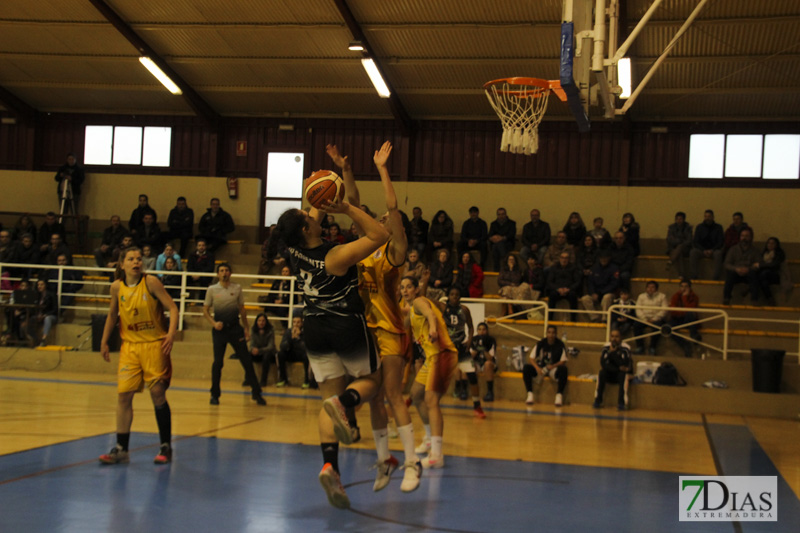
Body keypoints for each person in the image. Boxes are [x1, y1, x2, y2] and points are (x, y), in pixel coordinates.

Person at [267, 187, 389, 510]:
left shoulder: (294, 249)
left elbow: (311, 214)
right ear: (306, 229)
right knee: (373, 383)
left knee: (326, 403)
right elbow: (380, 234)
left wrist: (329, 181)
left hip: (314, 328)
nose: (313, 214)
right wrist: (347, 207)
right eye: (309, 216)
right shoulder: (335, 256)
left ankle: (329, 467)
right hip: (344, 325)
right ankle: (346, 402)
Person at [330, 141, 423, 493]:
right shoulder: (361, 252)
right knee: (374, 399)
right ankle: (386, 461)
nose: (381, 219)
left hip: (391, 331)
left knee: (394, 395)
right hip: (365, 333)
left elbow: (393, 209)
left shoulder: (394, 253)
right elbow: (351, 204)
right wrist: (345, 169)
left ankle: (413, 463)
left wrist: (383, 169)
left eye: (383, 219)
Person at [97, 247, 177, 465]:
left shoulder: (150, 282)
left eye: (139, 259)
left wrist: (171, 334)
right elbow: (113, 314)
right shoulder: (116, 287)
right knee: (123, 397)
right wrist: (104, 341)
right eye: (131, 259)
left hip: (153, 345)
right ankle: (121, 448)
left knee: (158, 393)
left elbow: (172, 306)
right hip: (130, 347)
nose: (136, 262)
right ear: (121, 264)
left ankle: (165, 446)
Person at [400, 275, 457, 470]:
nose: (405, 290)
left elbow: (431, 315)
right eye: (402, 287)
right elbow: (402, 319)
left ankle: (437, 455)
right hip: (431, 358)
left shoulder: (419, 302)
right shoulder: (411, 310)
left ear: (416, 289)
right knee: (416, 395)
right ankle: (429, 439)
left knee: (431, 401)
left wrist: (433, 329)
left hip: (442, 353)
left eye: (409, 287)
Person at [203, 263, 266, 406]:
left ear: (230, 273)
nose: (224, 273)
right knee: (218, 363)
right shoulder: (212, 289)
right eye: (221, 271)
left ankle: (257, 394)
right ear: (218, 274)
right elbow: (205, 310)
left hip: (235, 329)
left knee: (246, 361)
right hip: (219, 330)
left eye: (226, 270)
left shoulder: (236, 288)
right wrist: (214, 323)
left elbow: (242, 310)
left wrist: (246, 328)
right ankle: (214, 395)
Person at [439, 287, 480, 416]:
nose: (454, 297)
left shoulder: (464, 310)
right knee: (438, 377)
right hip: (448, 348)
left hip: (461, 348)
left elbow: (471, 326)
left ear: (460, 297)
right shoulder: (442, 308)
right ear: (448, 296)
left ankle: (477, 405)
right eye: (452, 294)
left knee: (472, 376)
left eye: (457, 294)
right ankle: (432, 403)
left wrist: (469, 340)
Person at [522, 325, 568, 407]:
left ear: (556, 334)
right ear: (546, 333)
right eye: (549, 333)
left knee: (564, 370)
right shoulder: (541, 343)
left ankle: (559, 396)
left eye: (553, 333)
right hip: (541, 368)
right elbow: (531, 358)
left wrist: (553, 366)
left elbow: (563, 361)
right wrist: (537, 368)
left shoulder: (560, 345)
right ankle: (530, 394)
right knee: (526, 368)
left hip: (553, 369)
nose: (551, 335)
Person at [593, 329, 634, 410]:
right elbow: (604, 364)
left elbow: (625, 364)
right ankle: (598, 400)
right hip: (610, 373)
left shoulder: (625, 349)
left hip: (620, 375)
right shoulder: (605, 348)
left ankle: (621, 403)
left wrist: (613, 354)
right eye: (612, 336)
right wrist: (618, 368)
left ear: (621, 338)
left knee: (623, 375)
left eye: (616, 336)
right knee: (602, 373)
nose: (614, 339)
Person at [722, 226, 760, 306]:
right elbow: (727, 263)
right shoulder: (733, 249)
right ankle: (726, 298)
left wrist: (748, 269)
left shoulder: (755, 250)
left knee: (754, 275)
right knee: (730, 275)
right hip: (736, 273)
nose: (744, 238)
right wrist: (736, 269)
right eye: (742, 236)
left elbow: (759, 263)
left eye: (747, 236)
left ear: (751, 237)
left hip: (749, 273)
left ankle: (754, 299)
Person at [277, 313, 314, 388]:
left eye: (298, 322)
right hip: (291, 353)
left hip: (301, 354)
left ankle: (307, 381)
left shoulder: (306, 332)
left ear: (302, 323)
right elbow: (282, 346)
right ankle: (283, 379)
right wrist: (291, 338)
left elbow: (306, 348)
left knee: (306, 356)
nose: (296, 324)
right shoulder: (288, 332)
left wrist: (298, 338)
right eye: (294, 322)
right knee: (280, 354)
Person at [580, 251, 619, 323]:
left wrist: (601, 293)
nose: (603, 260)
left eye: (605, 258)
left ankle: (605, 318)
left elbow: (614, 284)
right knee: (585, 299)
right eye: (602, 258)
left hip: (608, 293)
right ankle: (595, 317)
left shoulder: (614, 268)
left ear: (608, 258)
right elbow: (590, 282)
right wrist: (592, 293)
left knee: (607, 297)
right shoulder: (594, 268)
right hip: (596, 293)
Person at [545, 251, 582, 323]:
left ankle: (573, 320)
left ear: (568, 259)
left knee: (573, 295)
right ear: (559, 258)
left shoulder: (573, 268)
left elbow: (577, 282)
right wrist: (558, 289)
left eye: (566, 258)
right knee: (552, 295)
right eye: (562, 258)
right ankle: (549, 319)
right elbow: (549, 281)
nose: (564, 260)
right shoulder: (554, 267)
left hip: (569, 290)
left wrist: (568, 289)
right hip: (557, 290)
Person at [633, 280, 668, 355]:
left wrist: (654, 319)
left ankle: (652, 347)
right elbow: (638, 309)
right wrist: (644, 319)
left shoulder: (662, 296)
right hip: (644, 318)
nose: (650, 289)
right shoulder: (641, 296)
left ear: (656, 289)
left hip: (656, 319)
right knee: (636, 325)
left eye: (652, 287)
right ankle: (640, 347)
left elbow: (664, 310)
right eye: (648, 287)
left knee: (658, 327)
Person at [669, 279, 701, 358]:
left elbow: (691, 309)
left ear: (690, 288)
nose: (683, 289)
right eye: (682, 286)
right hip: (678, 319)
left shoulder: (694, 297)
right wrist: (683, 312)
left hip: (689, 319)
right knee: (668, 328)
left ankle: (694, 335)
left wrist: (684, 297)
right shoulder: (675, 296)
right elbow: (673, 311)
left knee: (690, 314)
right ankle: (685, 344)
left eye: (686, 287)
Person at [689, 209, 724, 280]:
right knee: (693, 252)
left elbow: (720, 242)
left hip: (714, 250)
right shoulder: (699, 227)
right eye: (706, 216)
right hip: (701, 250)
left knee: (719, 254)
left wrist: (712, 250)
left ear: (713, 217)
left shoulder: (718, 227)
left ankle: (716, 277)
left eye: (709, 216)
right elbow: (695, 241)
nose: (707, 218)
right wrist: (703, 250)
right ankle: (694, 276)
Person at [470, 322, 497, 403]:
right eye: (480, 329)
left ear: (487, 331)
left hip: (488, 363)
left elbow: (490, 358)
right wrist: (477, 349)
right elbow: (470, 356)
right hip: (477, 363)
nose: (482, 332)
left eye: (484, 329)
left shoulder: (491, 340)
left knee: (487, 364)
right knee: (468, 363)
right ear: (477, 330)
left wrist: (484, 349)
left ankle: (490, 392)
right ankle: (463, 390)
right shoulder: (473, 340)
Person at [250, 312, 276, 387]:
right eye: (259, 321)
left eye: (263, 321)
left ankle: (263, 380)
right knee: (248, 355)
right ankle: (248, 378)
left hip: (269, 353)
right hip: (258, 352)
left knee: (266, 356)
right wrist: (253, 350)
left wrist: (260, 350)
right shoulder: (253, 330)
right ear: (256, 321)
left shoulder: (270, 330)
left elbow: (270, 347)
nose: (261, 323)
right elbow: (251, 344)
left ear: (266, 322)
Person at [186, 238, 215, 303]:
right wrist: (193, 274)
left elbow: (210, 268)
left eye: (203, 245)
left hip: (204, 275)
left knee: (204, 281)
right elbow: (189, 267)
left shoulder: (210, 255)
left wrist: (200, 274)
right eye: (199, 245)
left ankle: (201, 301)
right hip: (193, 275)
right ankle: (186, 300)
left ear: (206, 246)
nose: (201, 247)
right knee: (185, 279)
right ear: (196, 246)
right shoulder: (191, 255)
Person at [758, 237, 785, 307]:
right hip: (764, 276)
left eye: (772, 243)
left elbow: (774, 265)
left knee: (764, 274)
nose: (770, 245)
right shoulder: (764, 254)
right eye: (769, 243)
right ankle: (769, 298)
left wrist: (761, 266)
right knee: (763, 280)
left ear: (776, 245)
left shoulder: (779, 254)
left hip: (775, 275)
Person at [666, 211, 693, 278]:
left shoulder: (688, 228)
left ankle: (671, 260)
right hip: (673, 248)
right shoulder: (671, 227)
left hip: (685, 249)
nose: (678, 220)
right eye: (677, 219)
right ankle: (681, 275)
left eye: (680, 219)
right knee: (679, 254)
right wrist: (679, 241)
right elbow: (669, 239)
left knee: (680, 247)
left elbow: (689, 240)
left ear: (684, 219)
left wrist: (681, 243)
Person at [34, 279, 58, 346]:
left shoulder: (52, 294)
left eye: (41, 284)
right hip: (39, 315)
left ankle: (43, 339)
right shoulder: (36, 295)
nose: (39, 286)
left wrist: (45, 315)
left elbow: (55, 309)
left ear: (45, 285)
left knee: (47, 318)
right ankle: (33, 338)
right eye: (38, 285)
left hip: (51, 315)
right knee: (30, 319)